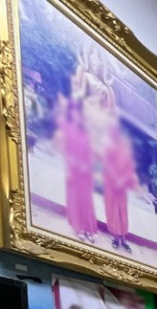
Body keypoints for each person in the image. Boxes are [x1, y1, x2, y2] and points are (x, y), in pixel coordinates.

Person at [56, 99, 98, 243]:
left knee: (86, 200)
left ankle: (89, 229)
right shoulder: (68, 129)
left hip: (86, 171)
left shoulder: (87, 132)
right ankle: (79, 228)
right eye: (74, 111)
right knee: (75, 199)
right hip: (73, 169)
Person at [102, 126, 139, 253]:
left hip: (121, 186)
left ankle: (123, 239)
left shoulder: (125, 152)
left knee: (122, 213)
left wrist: (123, 180)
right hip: (111, 185)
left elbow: (129, 169)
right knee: (113, 212)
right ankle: (116, 238)